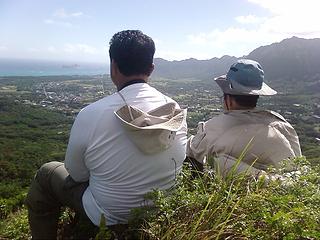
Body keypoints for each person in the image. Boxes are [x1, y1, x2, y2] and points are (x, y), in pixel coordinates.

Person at [25, 30, 187, 239]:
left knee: (47, 173)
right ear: (151, 68)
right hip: (161, 208)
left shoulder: (91, 114)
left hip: (107, 214)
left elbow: (76, 173)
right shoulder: (174, 110)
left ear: (113, 66)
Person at [187, 59, 301, 177]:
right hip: (286, 189)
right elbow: (298, 162)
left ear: (229, 100)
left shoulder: (212, 129)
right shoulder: (283, 126)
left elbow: (191, 150)